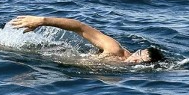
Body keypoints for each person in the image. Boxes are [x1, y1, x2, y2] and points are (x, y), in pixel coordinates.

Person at [10, 15, 164, 64]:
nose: (135, 59)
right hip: (51, 53)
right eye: (138, 53)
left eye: (140, 61)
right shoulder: (114, 49)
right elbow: (80, 27)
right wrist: (42, 21)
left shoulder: (122, 72)